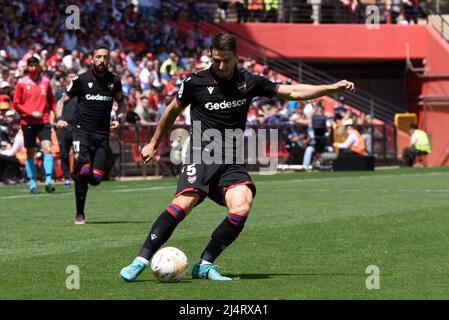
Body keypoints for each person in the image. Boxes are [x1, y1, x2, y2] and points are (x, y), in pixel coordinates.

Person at [119, 32, 355, 282]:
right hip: (202, 154)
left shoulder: (249, 81)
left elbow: (294, 91)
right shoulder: (194, 82)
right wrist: (153, 143)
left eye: (226, 61)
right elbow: (171, 111)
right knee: (184, 204)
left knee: (242, 204)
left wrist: (330, 89)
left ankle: (205, 264)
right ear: (210, 55)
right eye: (216, 60)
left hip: (230, 159)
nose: (221, 66)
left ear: (237, 57)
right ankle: (141, 260)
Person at [56, 45, 123, 225]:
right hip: (81, 132)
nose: (102, 60)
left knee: (96, 179)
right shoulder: (81, 80)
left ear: (109, 60)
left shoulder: (114, 81)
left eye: (105, 57)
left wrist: (119, 118)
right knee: (83, 170)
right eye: (98, 57)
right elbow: (62, 100)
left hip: (102, 135)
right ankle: (80, 214)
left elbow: (121, 103)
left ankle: (79, 170)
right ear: (91, 59)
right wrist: (58, 117)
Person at [13, 56, 56, 194]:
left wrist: (57, 115)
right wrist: (31, 113)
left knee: (47, 148)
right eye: (30, 65)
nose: (33, 68)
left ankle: (49, 180)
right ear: (27, 67)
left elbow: (52, 101)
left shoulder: (46, 82)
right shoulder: (21, 83)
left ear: (39, 66)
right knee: (30, 152)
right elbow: (16, 104)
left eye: (35, 65)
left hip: (43, 121)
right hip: (28, 122)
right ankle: (32, 182)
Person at [55, 69, 79, 189]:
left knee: (78, 154)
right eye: (71, 77)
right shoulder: (59, 93)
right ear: (66, 79)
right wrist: (56, 122)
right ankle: (66, 178)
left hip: (77, 128)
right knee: (64, 154)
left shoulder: (80, 92)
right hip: (64, 128)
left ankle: (77, 175)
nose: (73, 79)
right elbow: (55, 108)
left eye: (75, 77)